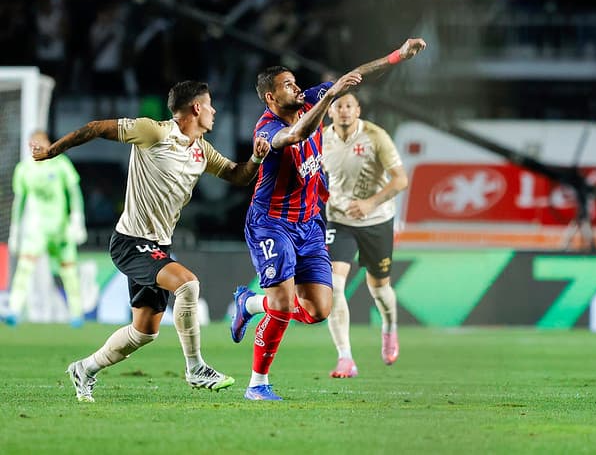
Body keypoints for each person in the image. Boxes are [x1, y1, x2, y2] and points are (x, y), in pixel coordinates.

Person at [32, 80, 269, 403]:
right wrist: (50, 151)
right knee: (188, 285)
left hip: (158, 245)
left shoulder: (202, 150)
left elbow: (238, 175)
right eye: (210, 105)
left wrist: (255, 159)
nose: (214, 111)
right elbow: (95, 128)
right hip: (131, 240)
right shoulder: (154, 133)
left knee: (144, 332)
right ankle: (196, 367)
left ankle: (84, 368)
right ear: (196, 108)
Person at [229, 37, 426, 401]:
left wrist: (398, 55)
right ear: (271, 97)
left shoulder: (310, 100)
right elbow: (299, 133)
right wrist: (327, 97)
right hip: (271, 224)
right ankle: (257, 383)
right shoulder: (267, 129)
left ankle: (250, 303)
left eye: (296, 81)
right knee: (285, 304)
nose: (297, 87)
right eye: (288, 85)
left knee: (320, 309)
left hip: (309, 224)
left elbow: (355, 76)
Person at [322, 92, 408, 378]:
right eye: (339, 107)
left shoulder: (375, 136)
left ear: (357, 110)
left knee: (379, 290)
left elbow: (401, 179)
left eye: (349, 106)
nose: (344, 111)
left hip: (377, 220)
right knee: (333, 286)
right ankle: (345, 357)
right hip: (339, 220)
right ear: (330, 112)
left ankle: (389, 327)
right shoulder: (321, 139)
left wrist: (370, 203)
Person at [6, 130, 88, 327]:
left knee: (68, 271)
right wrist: (15, 228)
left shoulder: (60, 164)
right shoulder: (24, 168)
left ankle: (76, 314)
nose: (34, 147)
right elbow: (20, 200)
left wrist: (77, 219)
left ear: (47, 143)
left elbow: (74, 192)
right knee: (24, 268)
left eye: (38, 143)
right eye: (31, 144)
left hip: (60, 227)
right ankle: (14, 310)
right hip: (36, 228)